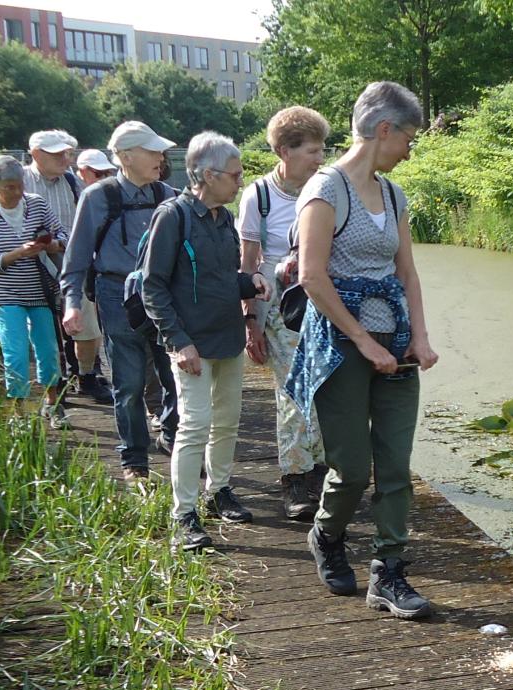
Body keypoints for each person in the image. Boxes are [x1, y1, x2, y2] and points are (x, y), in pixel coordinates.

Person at [287, 82, 438, 619]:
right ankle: (326, 536)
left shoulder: (394, 194)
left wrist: (418, 336)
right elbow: (312, 277)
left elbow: (407, 273)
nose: (409, 149)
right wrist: (363, 340)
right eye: (409, 139)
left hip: (396, 348)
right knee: (350, 469)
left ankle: (388, 572)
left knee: (395, 465)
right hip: (341, 348)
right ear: (383, 130)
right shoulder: (325, 191)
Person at [139, 132, 269, 552]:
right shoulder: (172, 216)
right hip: (190, 345)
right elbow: (153, 287)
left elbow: (220, 279)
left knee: (228, 421)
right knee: (194, 427)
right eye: (235, 174)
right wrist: (178, 342)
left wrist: (249, 282)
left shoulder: (222, 219)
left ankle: (220, 490)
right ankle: (184, 514)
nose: (240, 181)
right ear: (208, 175)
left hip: (227, 339)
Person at [59, 121, 181, 477]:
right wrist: (71, 304)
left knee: (175, 377)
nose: (161, 156)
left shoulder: (168, 196)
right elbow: (77, 256)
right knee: (128, 384)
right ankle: (134, 460)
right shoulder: (98, 196)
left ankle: (172, 436)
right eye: (153, 150)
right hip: (116, 296)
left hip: (163, 294)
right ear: (126, 156)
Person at [237, 106, 332, 521]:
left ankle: (322, 472)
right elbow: (247, 266)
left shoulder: (328, 189)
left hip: (326, 304)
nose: (320, 158)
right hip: (281, 308)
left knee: (327, 389)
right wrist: (251, 321)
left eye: (322, 148)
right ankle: (296, 477)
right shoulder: (258, 197)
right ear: (283, 151)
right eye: (312, 150)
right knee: (294, 391)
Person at [0, 155, 68, 424]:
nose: (16, 192)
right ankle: (18, 413)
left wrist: (51, 245)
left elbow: (64, 236)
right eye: (9, 187)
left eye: (20, 185)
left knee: (48, 350)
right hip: (5, 293)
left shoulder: (36, 204)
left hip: (39, 289)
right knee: (14, 353)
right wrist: (18, 253)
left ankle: (53, 404)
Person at [23, 130, 113, 406]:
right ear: (36, 154)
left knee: (87, 328)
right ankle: (56, 385)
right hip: (30, 266)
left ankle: (86, 375)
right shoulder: (19, 182)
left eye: (67, 153)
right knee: (45, 330)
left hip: (72, 263)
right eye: (58, 153)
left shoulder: (73, 183)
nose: (65, 158)